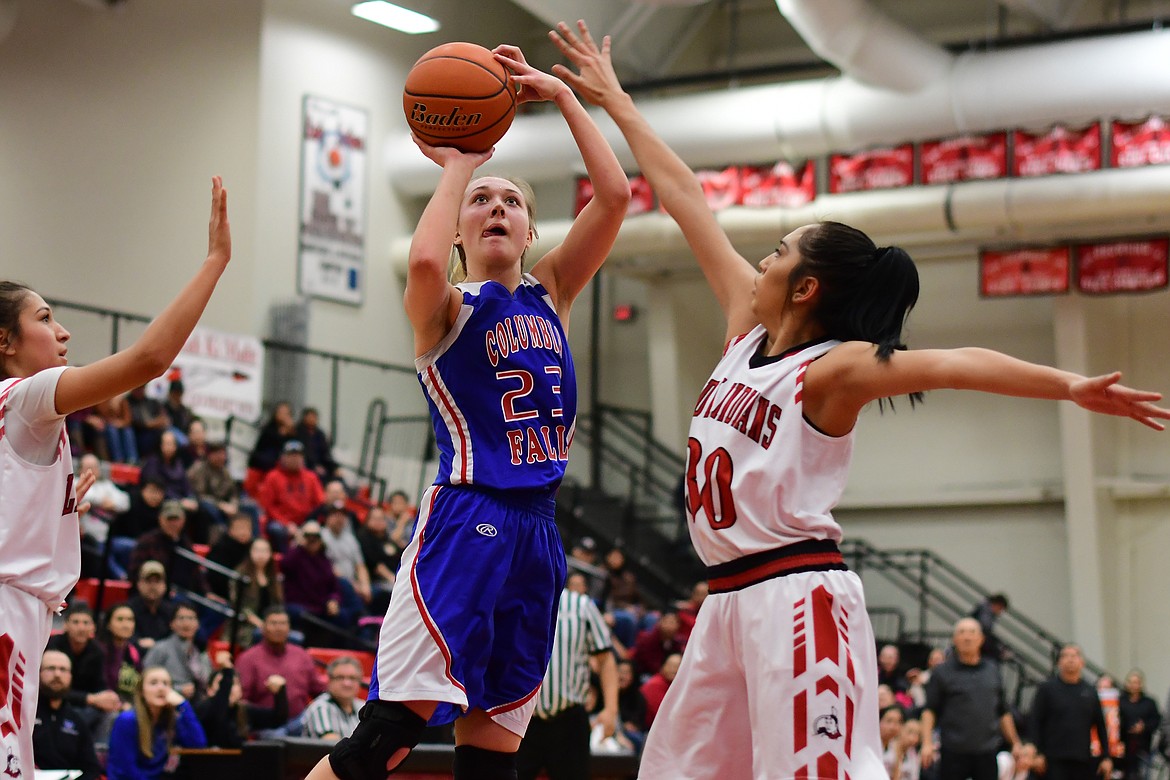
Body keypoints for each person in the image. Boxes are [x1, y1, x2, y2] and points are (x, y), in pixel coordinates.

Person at [548, 19, 1170, 780]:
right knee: (675, 771)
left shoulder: (831, 370)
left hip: (796, 595)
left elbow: (955, 363)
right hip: (725, 602)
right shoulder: (747, 326)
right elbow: (683, 197)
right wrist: (615, 100)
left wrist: (1070, 385)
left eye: (779, 252)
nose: (764, 258)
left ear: (806, 287)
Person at [307, 39, 629, 780]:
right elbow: (421, 262)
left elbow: (613, 198)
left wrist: (565, 95)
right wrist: (462, 161)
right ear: (457, 228)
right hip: (466, 524)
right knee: (384, 738)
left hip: (540, 534)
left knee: (492, 761)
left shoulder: (554, 293)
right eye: (483, 200)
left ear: (529, 230)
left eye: (512, 201)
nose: (496, 206)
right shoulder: (445, 309)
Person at [0, 177, 228, 779]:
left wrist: (47, 510)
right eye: (46, 318)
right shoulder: (25, 396)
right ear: (4, 341)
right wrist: (214, 262)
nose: (63, 332)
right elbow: (150, 360)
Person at [515, 578, 618, 780]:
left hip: (569, 720)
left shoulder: (582, 605)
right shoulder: (516, 600)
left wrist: (611, 709)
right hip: (522, 719)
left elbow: (606, 660)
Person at [920, 618, 1021, 780]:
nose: (967, 637)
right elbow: (929, 710)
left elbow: (1002, 711)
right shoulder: (942, 672)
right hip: (953, 751)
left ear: (981, 639)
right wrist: (926, 743)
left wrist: (1015, 742)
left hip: (987, 751)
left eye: (972, 632)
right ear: (954, 639)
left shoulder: (992, 670)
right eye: (962, 632)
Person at [105, 666, 207, 780]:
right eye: (153, 683)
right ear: (142, 692)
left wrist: (183, 705)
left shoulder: (171, 720)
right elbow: (126, 770)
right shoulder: (127, 720)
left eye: (166, 683)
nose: (161, 688)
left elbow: (198, 746)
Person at [1030, 644, 1111, 780]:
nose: (1070, 660)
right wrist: (1037, 753)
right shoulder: (1047, 689)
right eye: (1065, 656)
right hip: (1053, 760)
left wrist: (1107, 757)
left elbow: (1100, 726)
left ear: (1082, 662)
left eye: (1074, 656)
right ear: (1059, 662)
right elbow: (1035, 722)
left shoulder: (1090, 692)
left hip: (1082, 759)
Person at [235, 606, 324, 724]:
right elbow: (240, 700)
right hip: (264, 725)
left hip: (300, 721)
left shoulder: (301, 655)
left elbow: (319, 690)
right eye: (273, 623)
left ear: (289, 628)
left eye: (283, 623)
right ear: (263, 627)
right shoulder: (247, 658)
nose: (279, 628)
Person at [32, 650, 103, 780]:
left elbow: (91, 769)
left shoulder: (77, 721)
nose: (57, 674)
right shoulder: (25, 715)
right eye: (51, 668)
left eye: (63, 669)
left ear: (70, 676)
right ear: (38, 672)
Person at [195, 656, 288, 748]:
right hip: (208, 760)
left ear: (241, 691)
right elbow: (220, 714)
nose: (230, 688)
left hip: (239, 761)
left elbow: (278, 719)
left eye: (234, 684)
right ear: (209, 690)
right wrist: (227, 672)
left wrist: (280, 692)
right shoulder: (204, 708)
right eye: (222, 683)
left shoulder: (243, 710)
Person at [140, 603, 211, 703]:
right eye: (181, 618)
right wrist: (178, 689)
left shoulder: (200, 652)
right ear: (172, 624)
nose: (186, 623)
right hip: (166, 702)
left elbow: (207, 680)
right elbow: (144, 678)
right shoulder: (160, 648)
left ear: (198, 624)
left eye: (191, 618)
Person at [229, 535, 285, 649]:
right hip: (246, 625)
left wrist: (275, 624)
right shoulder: (241, 575)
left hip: (272, 624)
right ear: (250, 552)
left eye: (265, 551)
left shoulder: (274, 577)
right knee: (259, 635)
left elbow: (279, 605)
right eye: (257, 550)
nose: (261, 554)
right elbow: (238, 604)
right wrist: (260, 623)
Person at [303, 657, 365, 741]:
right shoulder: (320, 708)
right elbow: (332, 747)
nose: (347, 683)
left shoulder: (363, 706)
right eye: (340, 677)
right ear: (329, 680)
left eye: (352, 678)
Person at [125, 561, 178, 650]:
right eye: (148, 581)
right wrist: (137, 642)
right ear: (139, 584)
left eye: (157, 581)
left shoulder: (172, 610)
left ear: (164, 585)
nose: (153, 586)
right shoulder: (128, 609)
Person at [1118, 669, 1160, 780]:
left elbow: (1156, 721)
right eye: (1131, 682)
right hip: (1123, 748)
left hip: (1143, 748)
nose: (1133, 685)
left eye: (1136, 682)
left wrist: (1144, 727)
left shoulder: (1149, 702)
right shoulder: (1120, 701)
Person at [99, 604, 144, 706]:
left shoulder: (134, 651)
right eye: (120, 619)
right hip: (105, 704)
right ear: (108, 624)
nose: (126, 624)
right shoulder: (99, 650)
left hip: (130, 703)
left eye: (130, 620)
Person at [971, 594, 1010, 661]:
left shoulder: (986, 610)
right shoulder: (985, 612)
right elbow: (984, 629)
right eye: (1000, 609)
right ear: (997, 605)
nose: (1000, 612)